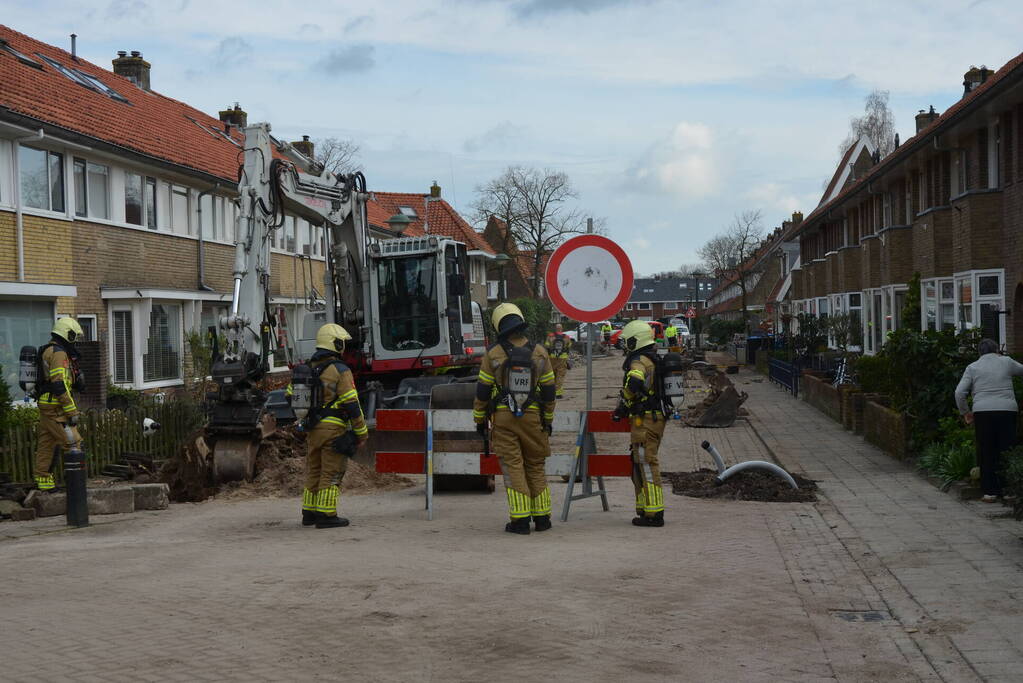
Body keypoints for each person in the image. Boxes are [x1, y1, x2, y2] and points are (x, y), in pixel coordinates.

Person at [475, 303, 557, 534]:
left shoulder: (493, 354)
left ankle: (520, 520)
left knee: (513, 467)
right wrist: (547, 419)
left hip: (503, 418)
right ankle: (542, 518)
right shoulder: (540, 352)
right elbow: (549, 392)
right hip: (533, 418)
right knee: (535, 465)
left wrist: (479, 419)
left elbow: (482, 392)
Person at [293, 323, 369, 528]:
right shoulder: (340, 370)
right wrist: (361, 432)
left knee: (314, 471)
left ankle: (308, 513)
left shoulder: (308, 368)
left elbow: (290, 394)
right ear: (335, 344)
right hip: (333, 430)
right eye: (342, 343)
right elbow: (352, 403)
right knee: (332, 471)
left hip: (312, 429)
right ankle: (327, 516)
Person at [955, 338, 1023, 502]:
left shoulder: (972, 367)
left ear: (980, 352)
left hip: (983, 412)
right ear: (997, 350)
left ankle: (990, 492)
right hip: (1007, 410)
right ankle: (1008, 490)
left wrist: (966, 412)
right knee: (1006, 449)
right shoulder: (1006, 362)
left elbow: (959, 393)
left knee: (986, 451)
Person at [614, 320, 666, 527]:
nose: (625, 347)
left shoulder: (639, 362)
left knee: (646, 461)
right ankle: (645, 509)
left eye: (627, 342)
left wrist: (624, 402)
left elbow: (634, 381)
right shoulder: (653, 359)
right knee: (639, 462)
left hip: (645, 420)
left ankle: (654, 513)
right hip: (653, 418)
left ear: (635, 341)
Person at [34, 317, 84, 491]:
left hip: (46, 404)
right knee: (73, 442)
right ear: (67, 334)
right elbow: (59, 384)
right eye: (74, 336)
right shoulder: (59, 353)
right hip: (56, 407)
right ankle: (76, 485)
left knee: (47, 443)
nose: (75, 341)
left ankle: (44, 482)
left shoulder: (49, 350)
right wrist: (72, 411)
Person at [544, 323, 572, 399]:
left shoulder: (550, 336)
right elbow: (569, 346)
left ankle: (551, 392)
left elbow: (546, 346)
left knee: (552, 374)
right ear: (561, 329)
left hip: (552, 358)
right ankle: (558, 393)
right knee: (560, 375)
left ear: (555, 329)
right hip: (562, 359)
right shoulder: (566, 337)